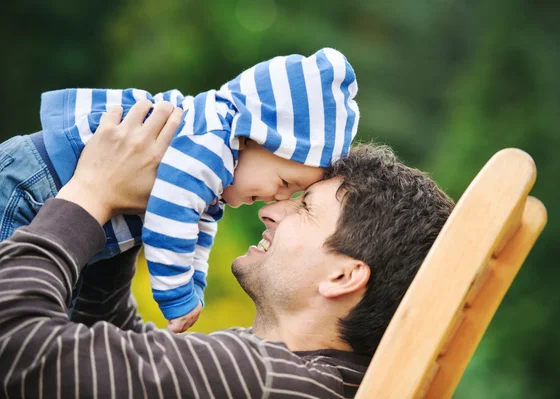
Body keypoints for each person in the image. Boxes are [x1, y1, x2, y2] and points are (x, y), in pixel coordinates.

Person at [0, 104, 454, 398]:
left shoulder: (265, 380)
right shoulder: (307, 377)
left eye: (306, 208)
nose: (268, 213)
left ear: (343, 276)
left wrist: (91, 193)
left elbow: (18, 349)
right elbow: (114, 348)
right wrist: (135, 209)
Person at [0, 47, 359, 332]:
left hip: (47, 199)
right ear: (252, 136)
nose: (278, 199)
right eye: (284, 183)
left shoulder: (214, 170)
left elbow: (198, 231)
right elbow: (169, 221)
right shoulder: (209, 145)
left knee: (48, 317)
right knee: (17, 319)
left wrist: (195, 287)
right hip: (30, 189)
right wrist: (177, 297)